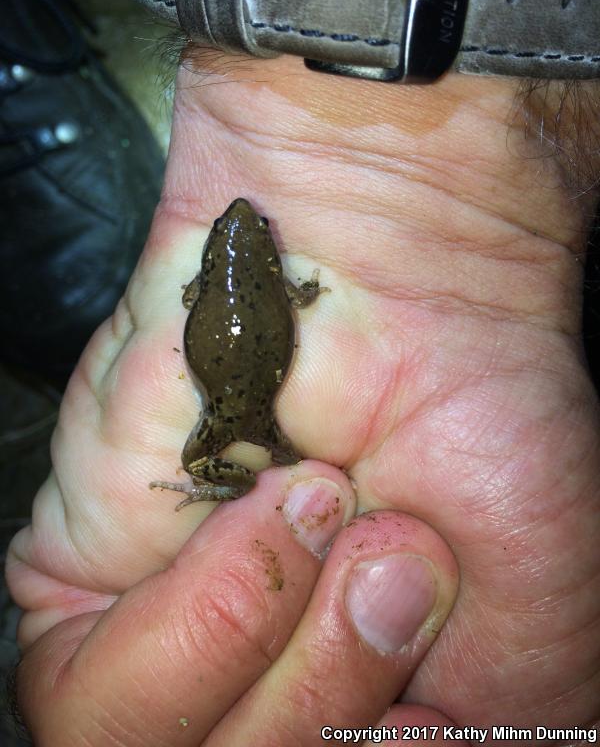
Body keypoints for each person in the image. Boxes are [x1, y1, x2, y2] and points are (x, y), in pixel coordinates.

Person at [5, 45, 600, 743]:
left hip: (228, 408)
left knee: (207, 465)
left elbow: (198, 293)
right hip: (237, 399)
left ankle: (218, 488)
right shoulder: (281, 283)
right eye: (245, 233)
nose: (244, 222)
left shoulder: (214, 284)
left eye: (251, 230)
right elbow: (301, 292)